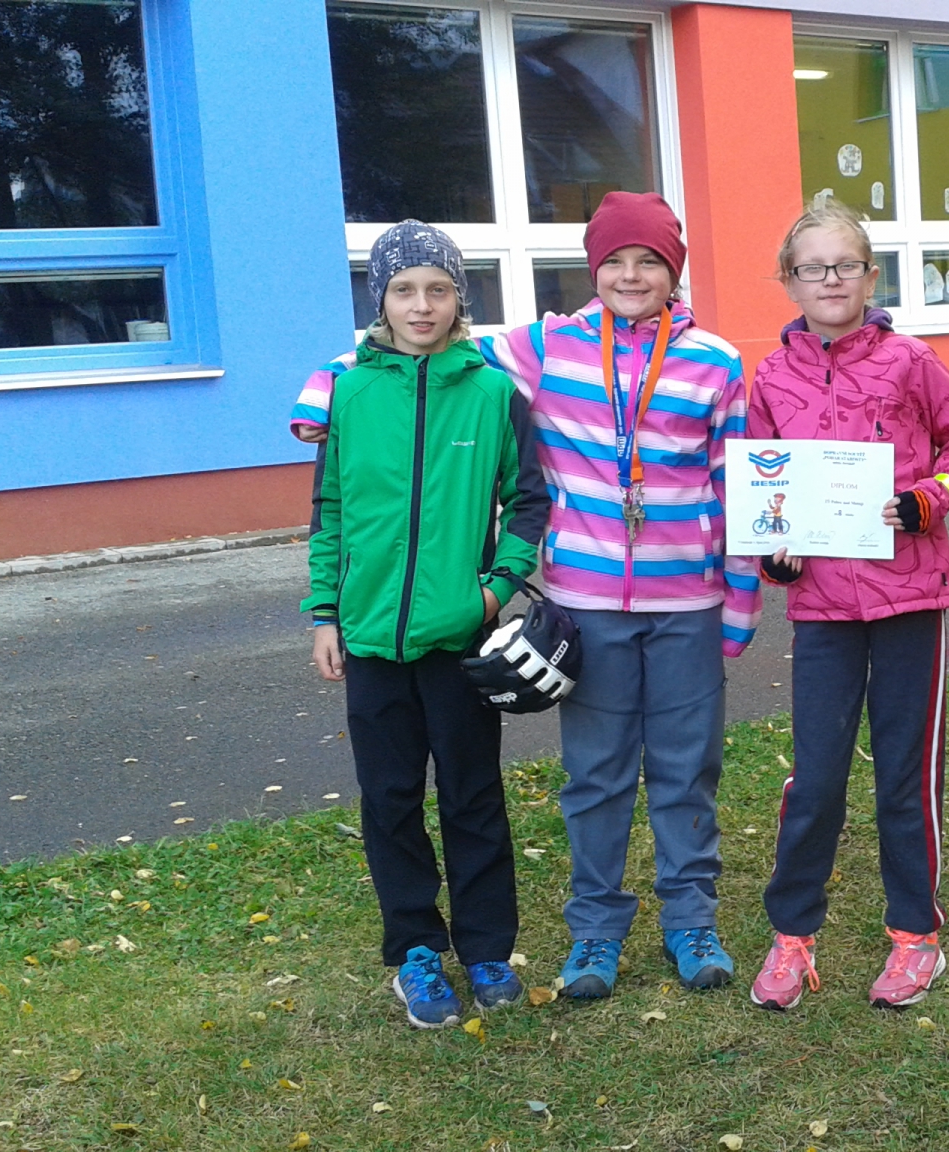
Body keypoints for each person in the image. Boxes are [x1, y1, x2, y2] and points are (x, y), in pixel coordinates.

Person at [291, 192, 761, 999]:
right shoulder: (546, 346)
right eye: (615, 261)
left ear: (674, 271)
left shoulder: (716, 362)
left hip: (688, 600)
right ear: (593, 268)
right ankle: (595, 932)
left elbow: (739, 484)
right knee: (596, 775)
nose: (631, 275)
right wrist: (322, 385)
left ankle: (690, 921)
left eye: (650, 261)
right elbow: (421, 348)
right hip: (585, 602)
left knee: (688, 771)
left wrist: (741, 603)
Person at [744, 196, 949, 1011]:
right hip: (822, 608)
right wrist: (776, 553)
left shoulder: (910, 361)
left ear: (870, 275)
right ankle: (792, 934)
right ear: (789, 281)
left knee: (905, 776)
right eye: (812, 268)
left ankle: (915, 936)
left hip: (909, 600)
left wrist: (930, 498)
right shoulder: (770, 377)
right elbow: (765, 490)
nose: (829, 280)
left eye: (844, 266)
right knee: (815, 778)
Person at [302, 220, 548, 1028]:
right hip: (371, 637)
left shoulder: (490, 392)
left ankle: (486, 948)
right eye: (404, 289)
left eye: (438, 289)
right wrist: (326, 613)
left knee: (473, 795)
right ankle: (415, 948)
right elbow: (329, 511)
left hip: (458, 637)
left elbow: (529, 502)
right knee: (390, 797)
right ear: (380, 300)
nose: (421, 305)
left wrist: (493, 593)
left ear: (458, 299)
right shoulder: (349, 393)